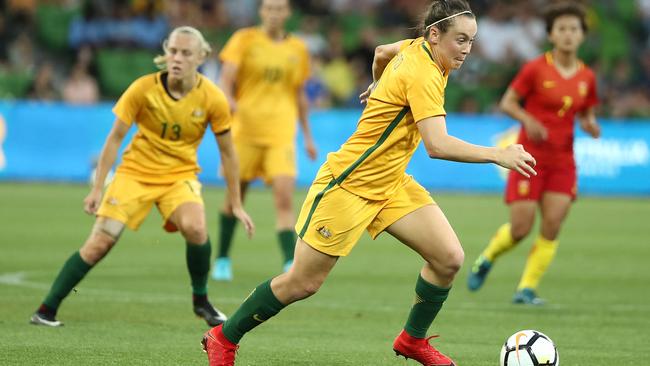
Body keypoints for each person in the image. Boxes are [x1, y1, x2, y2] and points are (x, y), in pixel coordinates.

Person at [202, 1, 537, 365]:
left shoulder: (418, 48)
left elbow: (381, 51)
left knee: (448, 258)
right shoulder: (422, 72)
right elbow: (437, 146)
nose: (467, 50)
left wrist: (377, 82)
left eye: (471, 41)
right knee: (302, 282)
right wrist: (498, 154)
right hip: (349, 183)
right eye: (460, 40)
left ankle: (412, 341)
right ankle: (223, 337)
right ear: (434, 34)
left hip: (390, 182)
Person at [30, 26, 255, 327]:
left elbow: (228, 152)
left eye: (186, 53)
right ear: (165, 52)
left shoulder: (212, 98)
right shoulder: (143, 88)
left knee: (196, 228)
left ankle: (201, 301)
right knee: (99, 243)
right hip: (135, 173)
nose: (177, 58)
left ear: (201, 57)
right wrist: (97, 188)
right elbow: (114, 139)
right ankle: (46, 309)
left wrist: (237, 203)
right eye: (173, 50)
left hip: (179, 176)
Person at [467, 2, 600, 305]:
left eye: (574, 29)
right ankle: (486, 258)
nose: (568, 35)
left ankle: (526, 288)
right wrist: (529, 120)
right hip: (529, 158)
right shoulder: (535, 68)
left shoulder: (586, 78)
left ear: (582, 35)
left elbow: (586, 114)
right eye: (562, 29)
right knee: (520, 228)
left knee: (552, 225)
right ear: (551, 34)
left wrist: (591, 125)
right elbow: (508, 102)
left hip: (563, 161)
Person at [212, 0, 317, 281]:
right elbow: (225, 78)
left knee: (284, 198)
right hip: (245, 130)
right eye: (268, 8)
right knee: (236, 197)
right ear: (261, 11)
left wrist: (307, 137)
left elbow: (299, 95)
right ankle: (222, 258)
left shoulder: (298, 49)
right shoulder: (243, 39)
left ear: (288, 13)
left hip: (281, 132)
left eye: (279, 8)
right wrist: (229, 100)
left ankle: (288, 264)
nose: (273, 13)